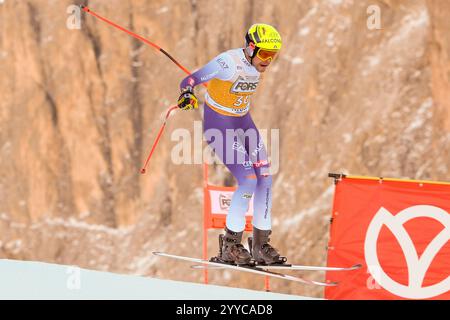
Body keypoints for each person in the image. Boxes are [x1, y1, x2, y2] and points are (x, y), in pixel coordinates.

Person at [177, 24, 284, 265]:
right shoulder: (227, 62)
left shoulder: (255, 66)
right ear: (251, 47)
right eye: (265, 54)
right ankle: (231, 245)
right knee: (248, 180)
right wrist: (187, 93)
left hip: (243, 121)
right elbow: (190, 79)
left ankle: (260, 245)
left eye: (273, 55)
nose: (268, 60)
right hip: (219, 124)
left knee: (265, 177)